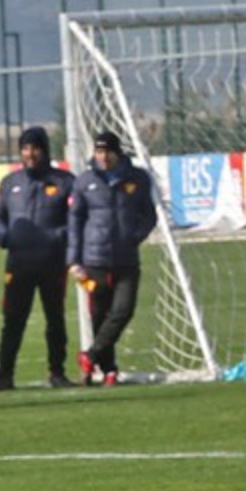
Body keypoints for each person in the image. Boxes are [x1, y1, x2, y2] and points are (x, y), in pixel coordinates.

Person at [0, 126, 77, 391]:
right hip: (18, 263)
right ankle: (4, 376)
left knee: (55, 319)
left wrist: (57, 237)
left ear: (45, 150)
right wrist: (5, 236)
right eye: (25, 148)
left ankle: (57, 372)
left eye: (35, 148)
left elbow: (76, 220)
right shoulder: (10, 183)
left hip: (53, 263)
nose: (30, 153)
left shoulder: (65, 181)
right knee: (13, 321)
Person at [67, 130, 157, 386]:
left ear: (118, 153)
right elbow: (74, 222)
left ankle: (90, 356)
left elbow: (149, 216)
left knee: (123, 311)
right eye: (99, 151)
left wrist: (133, 237)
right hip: (94, 261)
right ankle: (108, 370)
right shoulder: (84, 181)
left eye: (107, 151)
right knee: (99, 317)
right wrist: (73, 261)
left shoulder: (138, 179)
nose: (103, 157)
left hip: (127, 260)